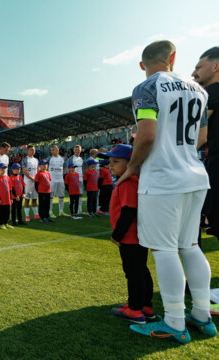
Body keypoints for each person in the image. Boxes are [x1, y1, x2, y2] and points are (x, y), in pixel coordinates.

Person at [121, 40, 215, 343]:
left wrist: (132, 167)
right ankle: (201, 314)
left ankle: (175, 320)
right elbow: (201, 137)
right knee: (190, 246)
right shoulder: (199, 89)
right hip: (195, 176)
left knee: (164, 250)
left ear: (142, 65)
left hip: (163, 179)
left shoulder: (146, 87)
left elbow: (146, 135)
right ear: (172, 58)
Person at [99, 145, 155, 324]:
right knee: (141, 270)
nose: (110, 165)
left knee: (133, 273)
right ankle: (144, 306)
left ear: (132, 163)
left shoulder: (128, 182)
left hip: (130, 237)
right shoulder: (131, 181)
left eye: (116, 162)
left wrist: (117, 235)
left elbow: (128, 211)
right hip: (137, 236)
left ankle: (135, 310)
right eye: (110, 162)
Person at [192, 46, 219, 239]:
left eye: (199, 67)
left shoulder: (209, 93)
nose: (194, 73)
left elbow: (197, 136)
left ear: (216, 66)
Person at [48, 145, 67, 218]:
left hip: (60, 180)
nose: (52, 151)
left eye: (53, 150)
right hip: (52, 180)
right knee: (51, 196)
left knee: (61, 196)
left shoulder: (62, 159)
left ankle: (61, 211)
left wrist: (61, 175)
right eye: (51, 150)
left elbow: (64, 167)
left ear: (57, 150)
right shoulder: (49, 158)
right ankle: (50, 212)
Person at [22, 145, 40, 221]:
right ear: (27, 151)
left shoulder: (36, 160)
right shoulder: (25, 160)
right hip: (28, 182)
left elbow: (38, 171)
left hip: (35, 182)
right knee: (27, 199)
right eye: (31, 150)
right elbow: (25, 172)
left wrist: (37, 179)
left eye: (34, 150)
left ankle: (36, 214)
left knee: (35, 198)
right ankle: (27, 216)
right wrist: (33, 179)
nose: (33, 151)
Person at [34, 159, 54, 224]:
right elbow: (36, 184)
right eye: (43, 165)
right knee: (42, 205)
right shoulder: (38, 174)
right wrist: (38, 191)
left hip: (48, 191)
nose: (45, 166)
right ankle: (42, 217)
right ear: (39, 166)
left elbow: (48, 181)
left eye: (46, 164)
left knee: (47, 205)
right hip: (41, 192)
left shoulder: (48, 173)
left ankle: (47, 216)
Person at [0, 163, 12, 229]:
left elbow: (10, 189)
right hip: (1, 198)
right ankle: (1, 223)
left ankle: (6, 223)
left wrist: (11, 198)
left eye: (4, 168)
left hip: (7, 198)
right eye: (2, 168)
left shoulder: (7, 177)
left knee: (7, 211)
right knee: (1, 211)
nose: (3, 170)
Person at [67, 145, 85, 214]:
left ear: (81, 150)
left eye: (78, 149)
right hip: (73, 179)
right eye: (76, 149)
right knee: (72, 195)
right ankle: (72, 210)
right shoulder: (71, 159)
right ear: (74, 150)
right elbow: (68, 169)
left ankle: (79, 210)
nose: (77, 151)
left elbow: (82, 169)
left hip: (80, 178)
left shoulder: (81, 159)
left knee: (80, 194)